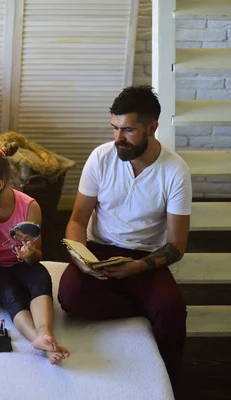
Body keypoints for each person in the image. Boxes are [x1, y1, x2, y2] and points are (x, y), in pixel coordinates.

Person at [57, 85, 191, 391]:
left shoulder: (175, 171)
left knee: (172, 313)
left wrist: (139, 267)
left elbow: (177, 245)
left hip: (144, 258)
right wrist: (81, 259)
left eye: (128, 130)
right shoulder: (101, 157)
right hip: (99, 249)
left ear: (152, 128)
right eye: (115, 128)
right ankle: (142, 307)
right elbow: (77, 221)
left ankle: (168, 388)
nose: (118, 138)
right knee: (70, 298)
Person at [0, 143, 70, 364]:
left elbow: (37, 256)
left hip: (19, 263)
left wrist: (29, 253)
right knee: (10, 292)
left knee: (40, 276)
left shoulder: (29, 207)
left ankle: (45, 331)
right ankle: (39, 340)